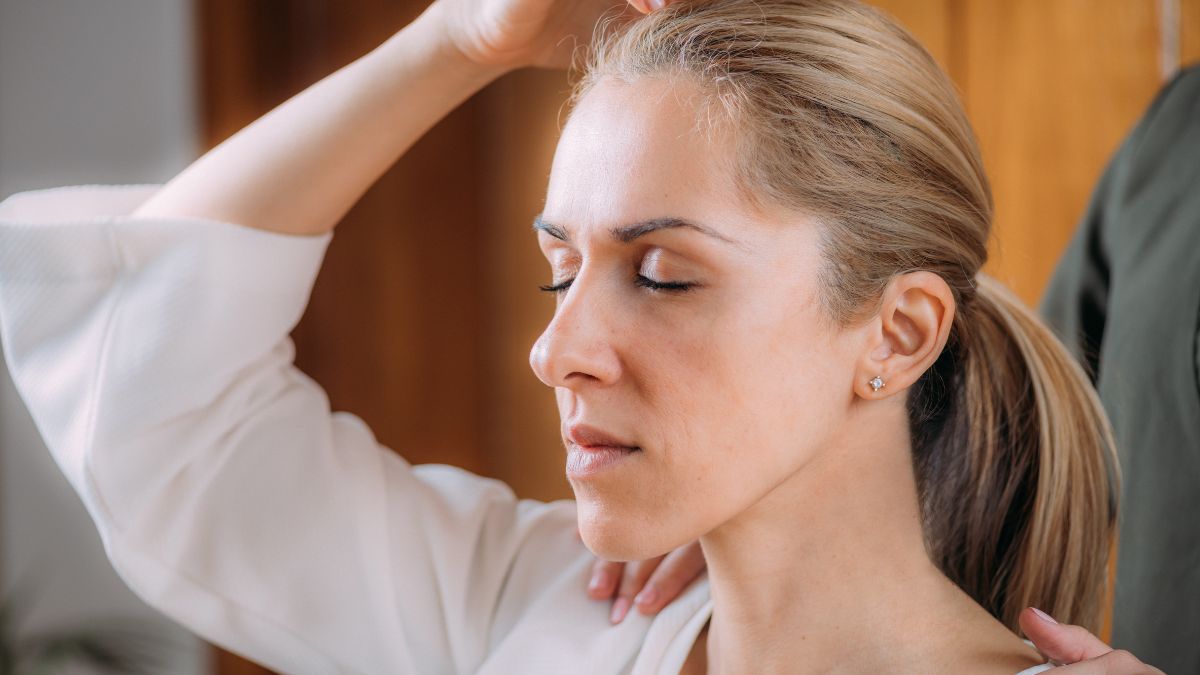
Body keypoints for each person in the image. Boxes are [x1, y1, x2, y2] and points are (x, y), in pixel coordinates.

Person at [0, 0, 1157, 672]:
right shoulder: (551, 616)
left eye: (661, 274)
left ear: (896, 334)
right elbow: (152, 404)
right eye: (562, 272)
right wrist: (457, 40)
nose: (558, 350)